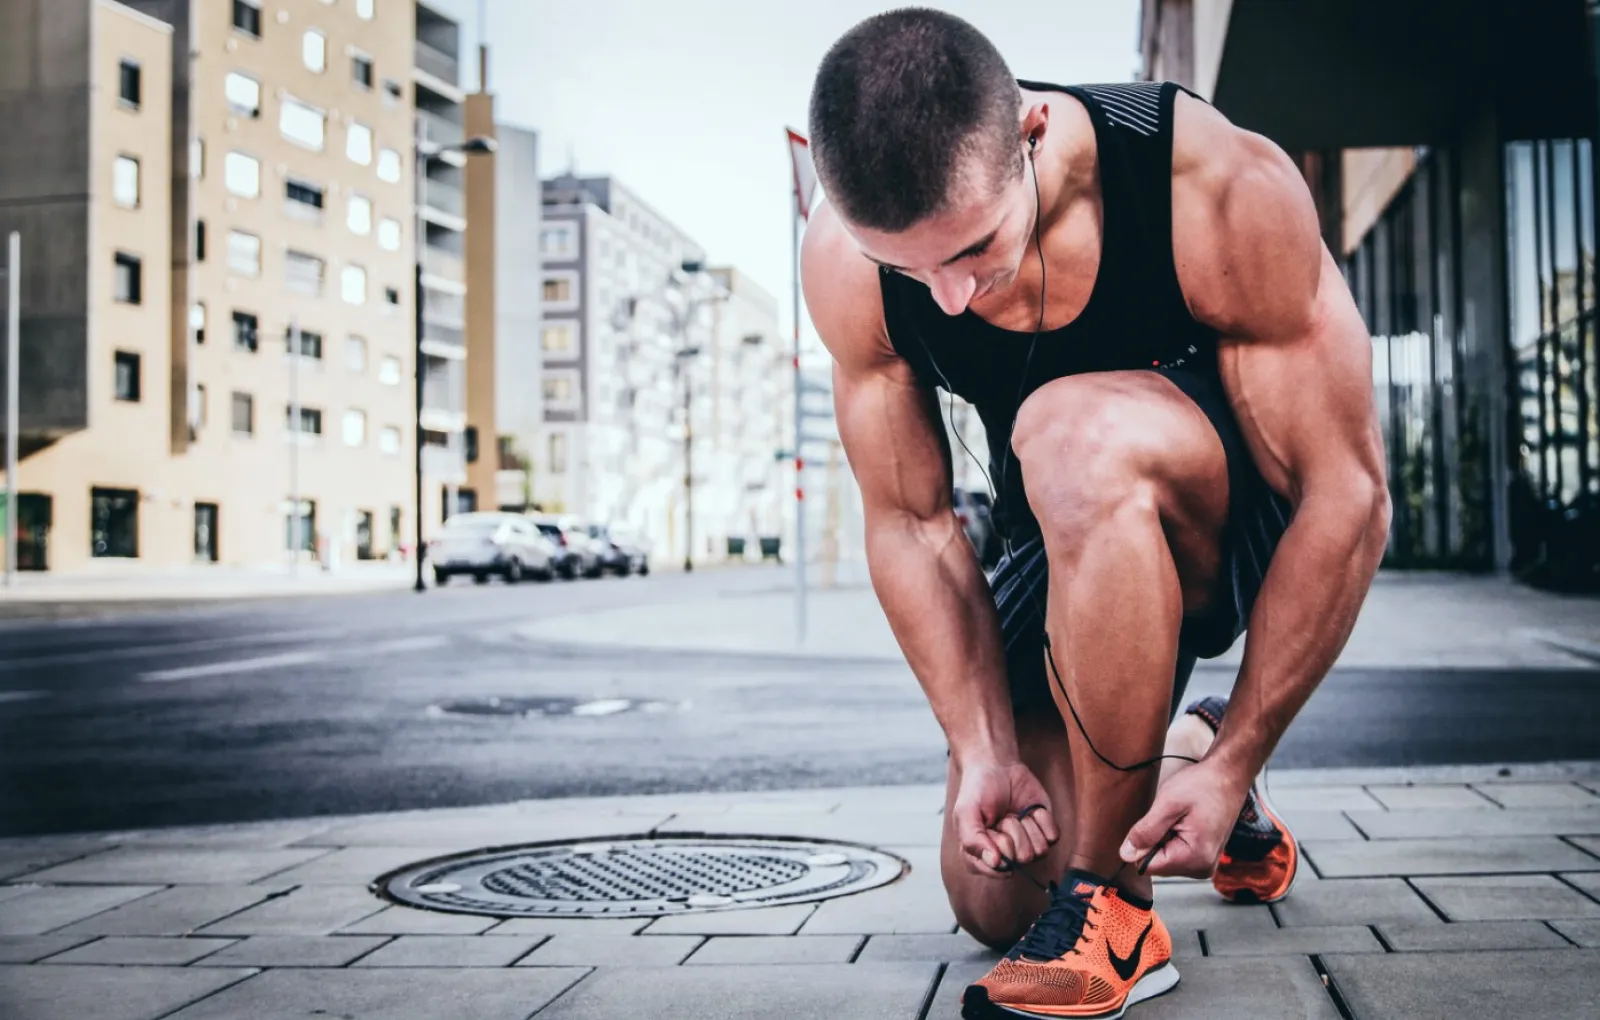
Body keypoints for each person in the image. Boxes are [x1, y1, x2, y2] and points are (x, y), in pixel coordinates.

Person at [801, 9, 1390, 1018]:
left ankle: (1115, 910)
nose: (945, 299)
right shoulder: (849, 257)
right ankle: (1184, 761)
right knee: (992, 891)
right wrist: (980, 745)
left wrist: (1254, 739)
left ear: (1031, 134)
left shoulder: (1204, 180)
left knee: (1069, 430)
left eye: (974, 249)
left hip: (1221, 516)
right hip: (1059, 528)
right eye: (911, 270)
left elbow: (1348, 493)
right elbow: (911, 522)